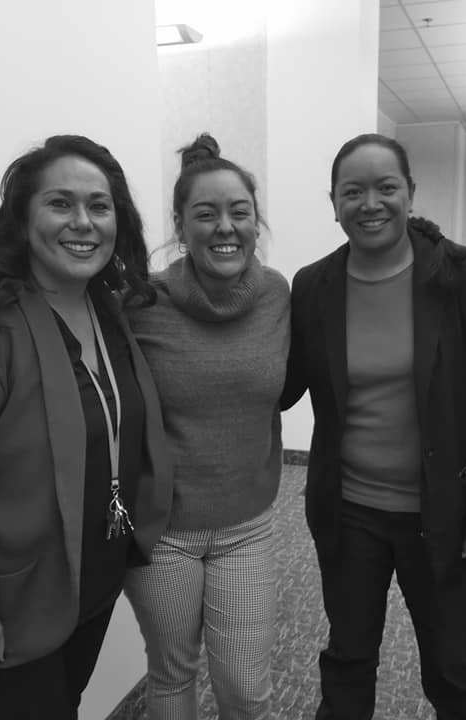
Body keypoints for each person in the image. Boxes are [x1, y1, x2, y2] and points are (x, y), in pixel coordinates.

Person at [0, 135, 172, 720]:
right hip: (6, 601)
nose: (83, 222)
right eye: (60, 203)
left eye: (99, 206)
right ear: (22, 219)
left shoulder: (106, 309)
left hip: (88, 583)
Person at [282, 133, 466, 720]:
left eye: (385, 187)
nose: (370, 203)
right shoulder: (313, 285)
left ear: (410, 193)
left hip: (444, 514)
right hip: (350, 512)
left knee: (453, 669)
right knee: (347, 660)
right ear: (333, 203)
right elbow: (283, 386)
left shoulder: (465, 274)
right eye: (352, 192)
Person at [123, 133, 290, 719]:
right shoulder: (140, 303)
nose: (225, 227)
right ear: (180, 225)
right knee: (172, 675)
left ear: (255, 221)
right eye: (205, 214)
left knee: (244, 687)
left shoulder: (277, 295)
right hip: (164, 530)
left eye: (239, 212)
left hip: (247, 524)